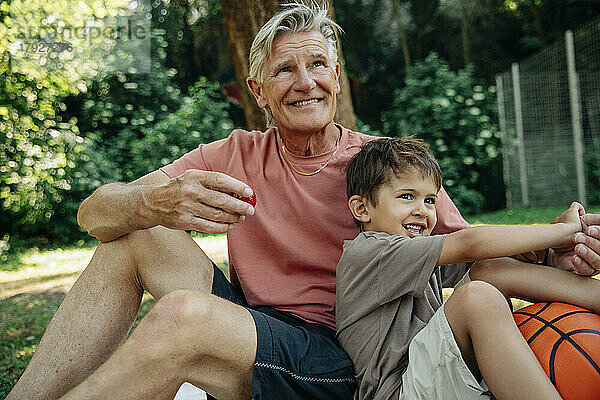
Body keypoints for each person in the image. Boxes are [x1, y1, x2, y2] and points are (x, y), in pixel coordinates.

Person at [7, 3, 600, 400]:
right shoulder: (235, 152)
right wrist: (148, 203)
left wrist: (556, 254)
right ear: (260, 91)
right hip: (260, 325)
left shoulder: (385, 168)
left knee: (184, 318)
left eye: (318, 64)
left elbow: (467, 254)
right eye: (284, 70)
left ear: (337, 79)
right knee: (133, 238)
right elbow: (93, 215)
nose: (305, 81)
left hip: (343, 359)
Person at [336, 136, 600, 400]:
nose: (422, 210)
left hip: (432, 378)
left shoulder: (416, 255)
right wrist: (563, 231)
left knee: (488, 270)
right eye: (407, 197)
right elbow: (471, 244)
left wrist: (553, 256)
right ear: (362, 209)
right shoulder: (369, 252)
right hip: (400, 392)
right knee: (475, 298)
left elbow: (487, 263)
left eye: (430, 200)